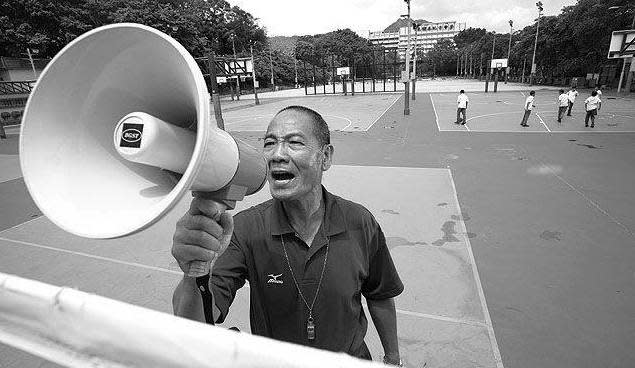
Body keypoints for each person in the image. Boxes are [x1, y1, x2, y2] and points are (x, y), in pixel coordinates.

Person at [171, 106, 404, 365]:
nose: (277, 154)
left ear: (325, 157)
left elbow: (380, 295)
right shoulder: (244, 229)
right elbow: (196, 322)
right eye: (269, 143)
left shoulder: (360, 221)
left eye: (294, 142)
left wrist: (393, 358)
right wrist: (195, 270)